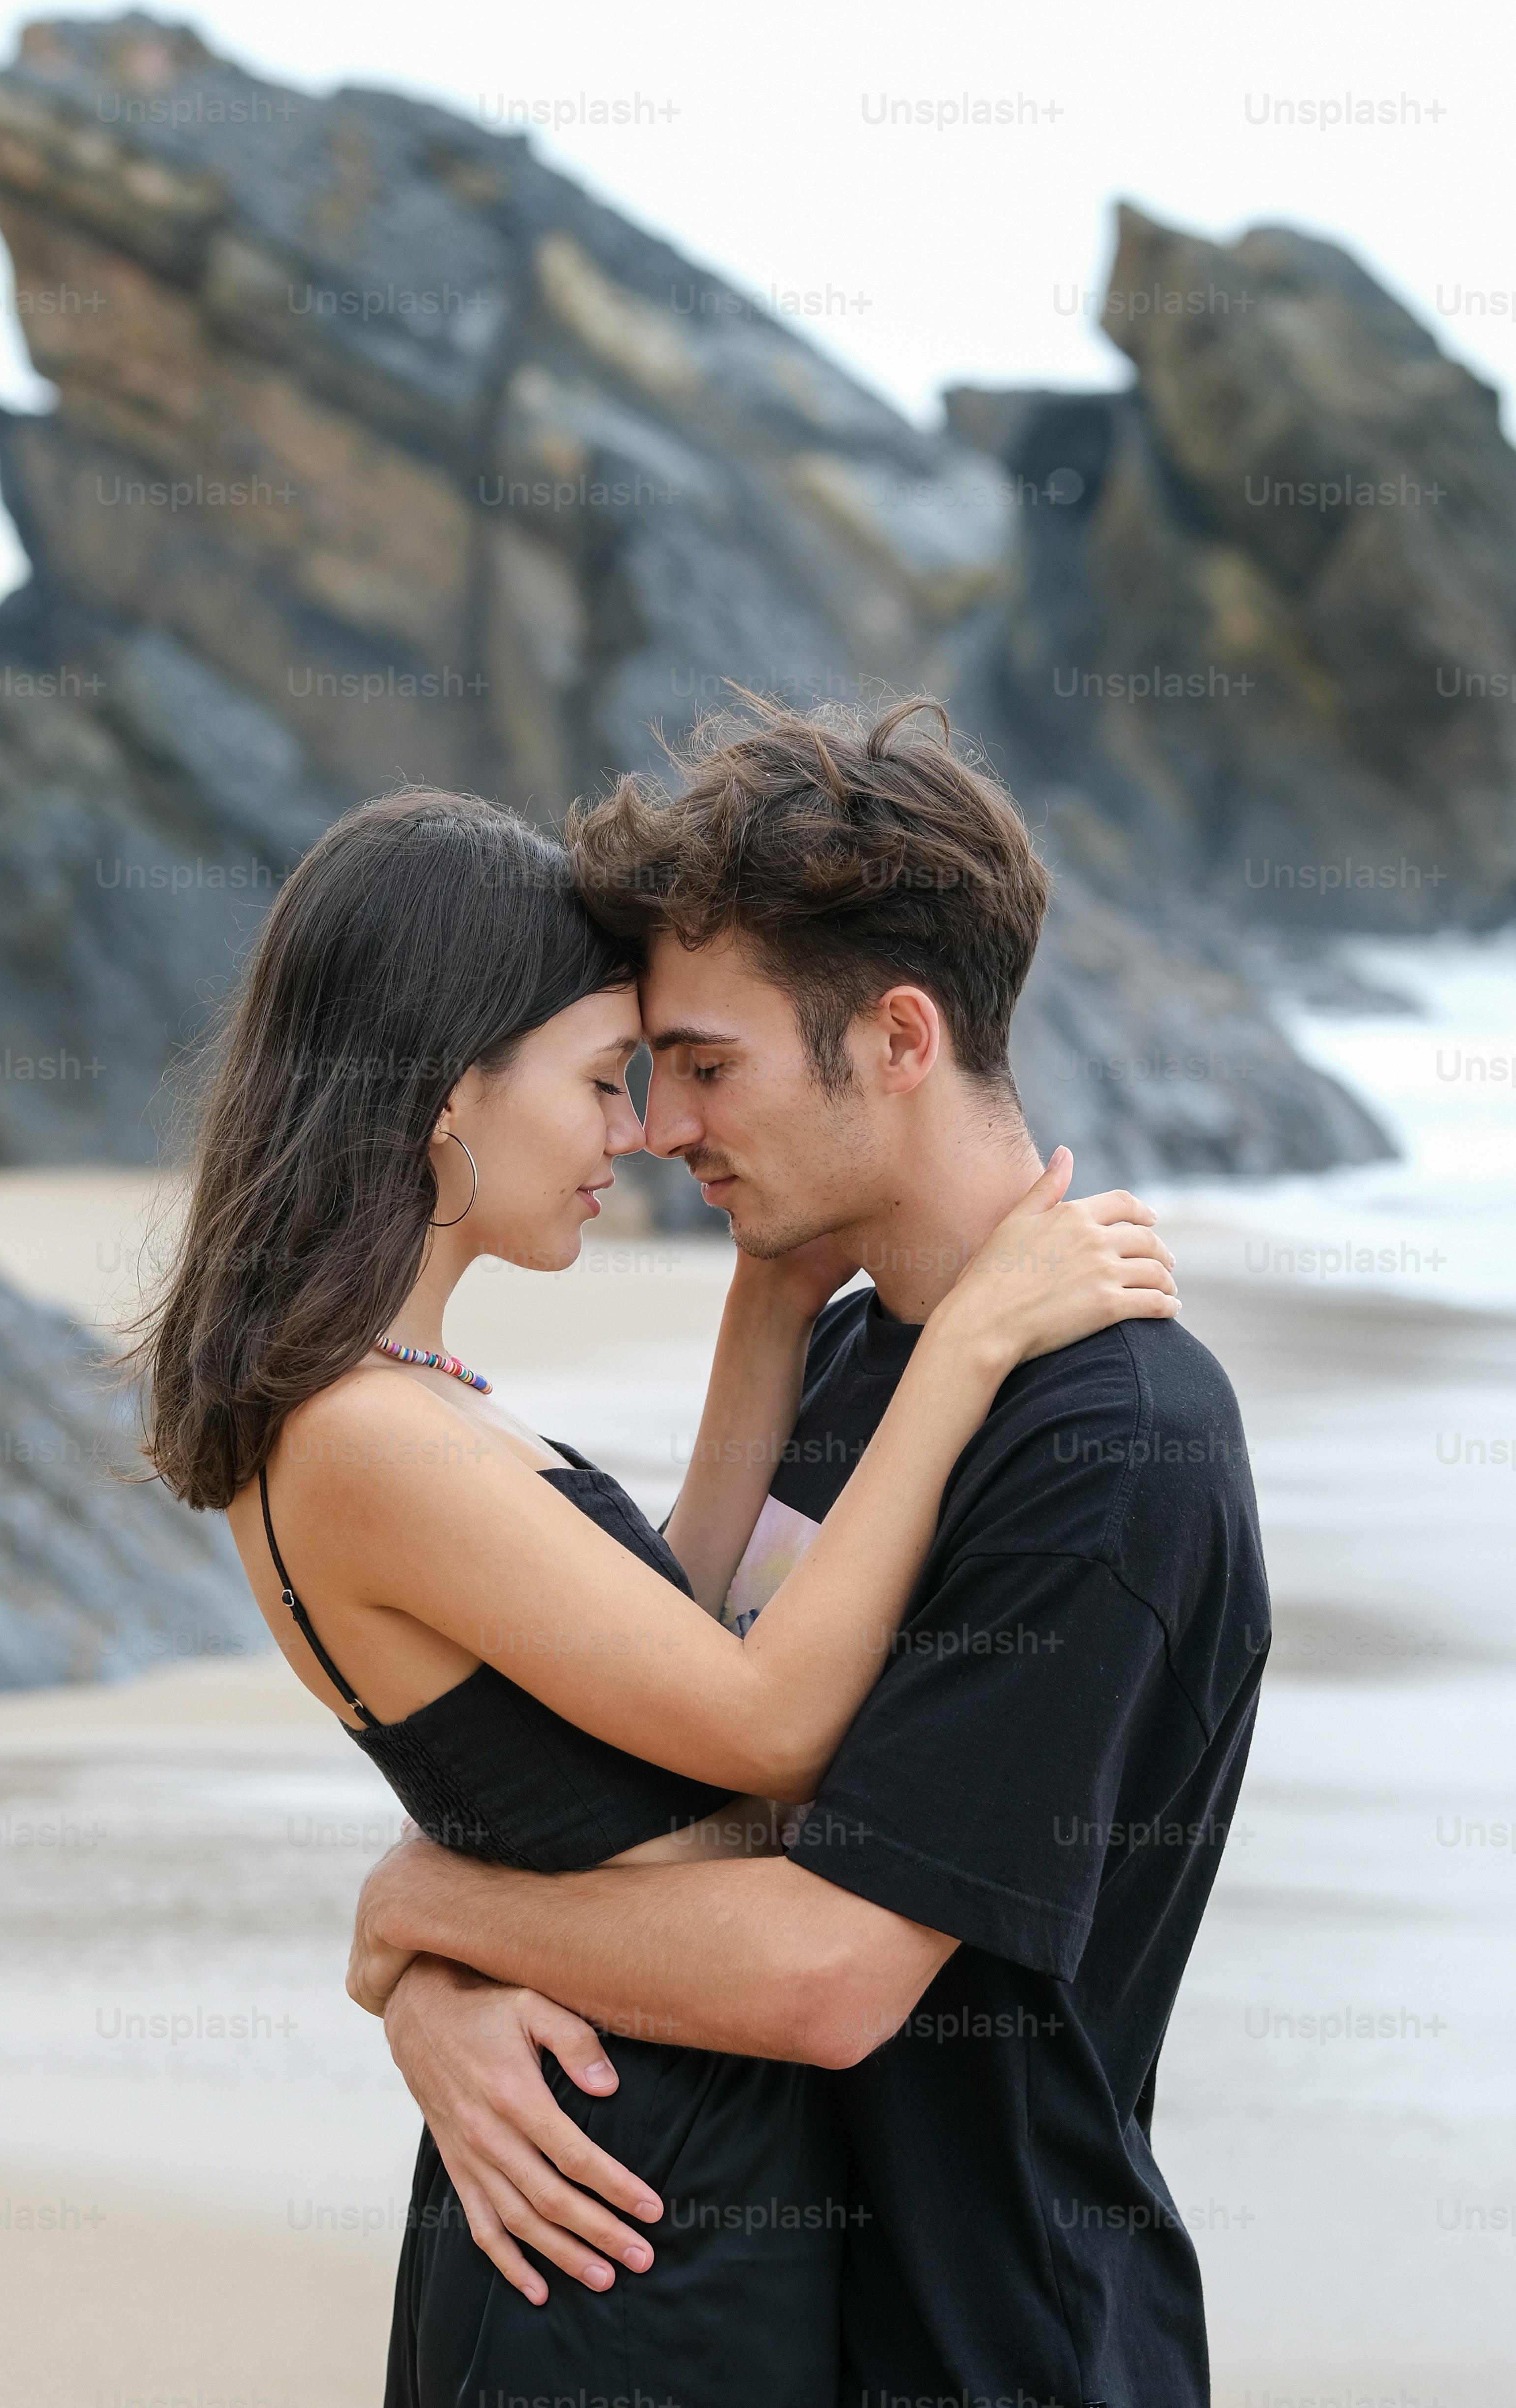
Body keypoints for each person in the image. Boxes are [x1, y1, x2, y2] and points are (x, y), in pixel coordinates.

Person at [135, 768, 1180, 2408]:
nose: (642, 1131)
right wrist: (968, 1342)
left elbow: (641, 1678)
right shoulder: (370, 1436)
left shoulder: (403, 1400)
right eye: (614, 1076)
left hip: (652, 2187)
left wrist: (768, 1312)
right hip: (630, 2218)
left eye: (682, 1071)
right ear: (444, 1094)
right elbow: (757, 1725)